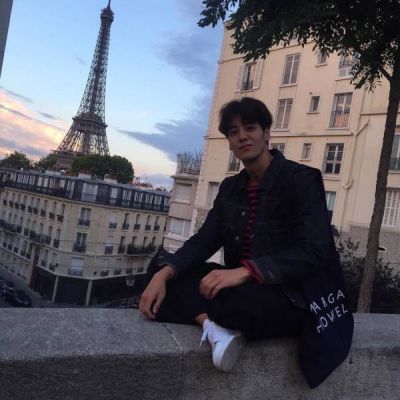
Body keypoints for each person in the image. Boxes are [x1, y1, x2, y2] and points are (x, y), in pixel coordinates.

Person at [139, 97, 353, 388]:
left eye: (250, 128)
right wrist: (165, 273)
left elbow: (314, 251)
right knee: (158, 271)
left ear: (267, 133)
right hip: (240, 287)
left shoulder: (300, 180)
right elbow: (205, 240)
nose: (242, 136)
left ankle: (211, 320)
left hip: (288, 295)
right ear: (229, 142)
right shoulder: (231, 188)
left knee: (237, 305)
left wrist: (247, 271)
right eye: (233, 132)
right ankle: (213, 327)